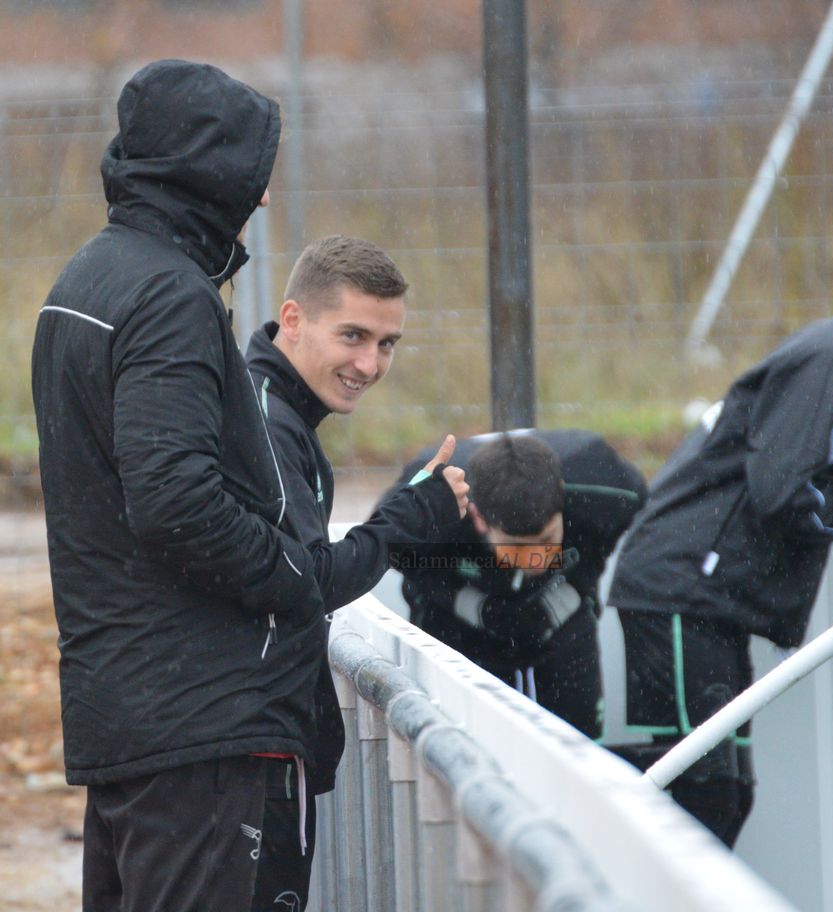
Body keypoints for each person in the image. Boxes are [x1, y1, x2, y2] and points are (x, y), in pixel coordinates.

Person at [29, 60, 464, 912]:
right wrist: (302, 577)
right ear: (203, 169)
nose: (262, 202)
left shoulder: (86, 282)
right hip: (202, 732)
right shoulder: (168, 294)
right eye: (252, 176)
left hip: (131, 714)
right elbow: (174, 501)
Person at [608, 207, 833, 848]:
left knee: (723, 795)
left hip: (705, 600)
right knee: (698, 796)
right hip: (682, 592)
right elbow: (786, 492)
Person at [244, 234, 469, 907]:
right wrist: (404, 520)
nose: (369, 363)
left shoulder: (277, 411)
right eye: (352, 336)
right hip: (247, 751)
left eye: (387, 343)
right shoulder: (266, 421)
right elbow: (306, 582)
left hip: (248, 742)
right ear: (292, 319)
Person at [388, 430, 647, 739]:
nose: (536, 558)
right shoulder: (429, 501)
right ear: (479, 518)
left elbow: (626, 531)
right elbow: (394, 553)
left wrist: (569, 592)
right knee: (465, 745)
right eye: (518, 546)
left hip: (563, 615)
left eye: (547, 539)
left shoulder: (608, 488)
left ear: (562, 499)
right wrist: (470, 605)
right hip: (454, 622)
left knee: (578, 743)